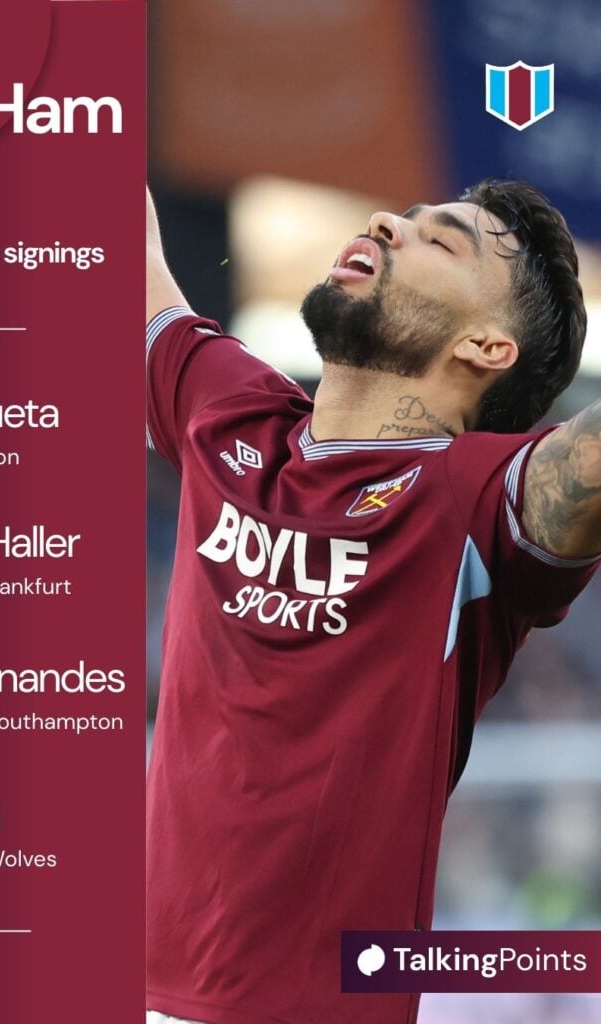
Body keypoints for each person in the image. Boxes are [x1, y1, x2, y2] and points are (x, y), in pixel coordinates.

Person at [144, 180, 600, 1024]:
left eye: (443, 242)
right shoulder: (228, 415)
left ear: (486, 346)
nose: (387, 222)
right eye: (405, 218)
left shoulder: (477, 500)